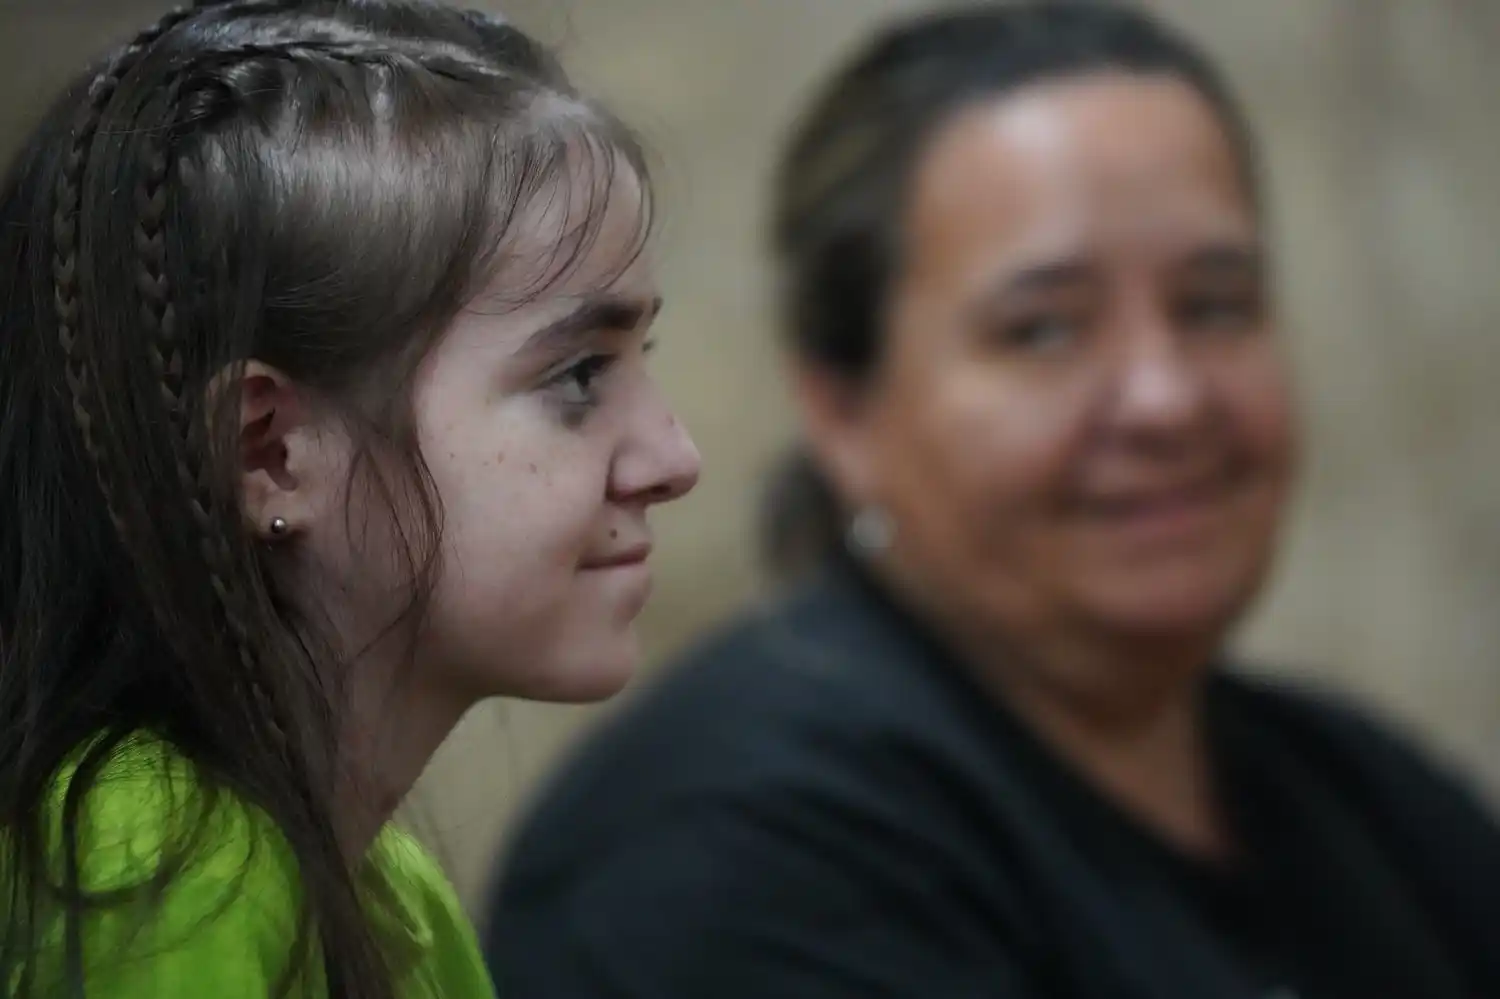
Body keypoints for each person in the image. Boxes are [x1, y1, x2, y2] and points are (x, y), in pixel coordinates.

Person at [485, 4, 1500, 998]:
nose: (1166, 397)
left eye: (1214, 305)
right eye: (1045, 329)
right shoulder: (729, 853)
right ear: (842, 407)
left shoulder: (1371, 802)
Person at [0, 1, 699, 996]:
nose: (675, 457)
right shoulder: (156, 870)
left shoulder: (385, 886)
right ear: (268, 451)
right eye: (580, 376)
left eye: (643, 361)